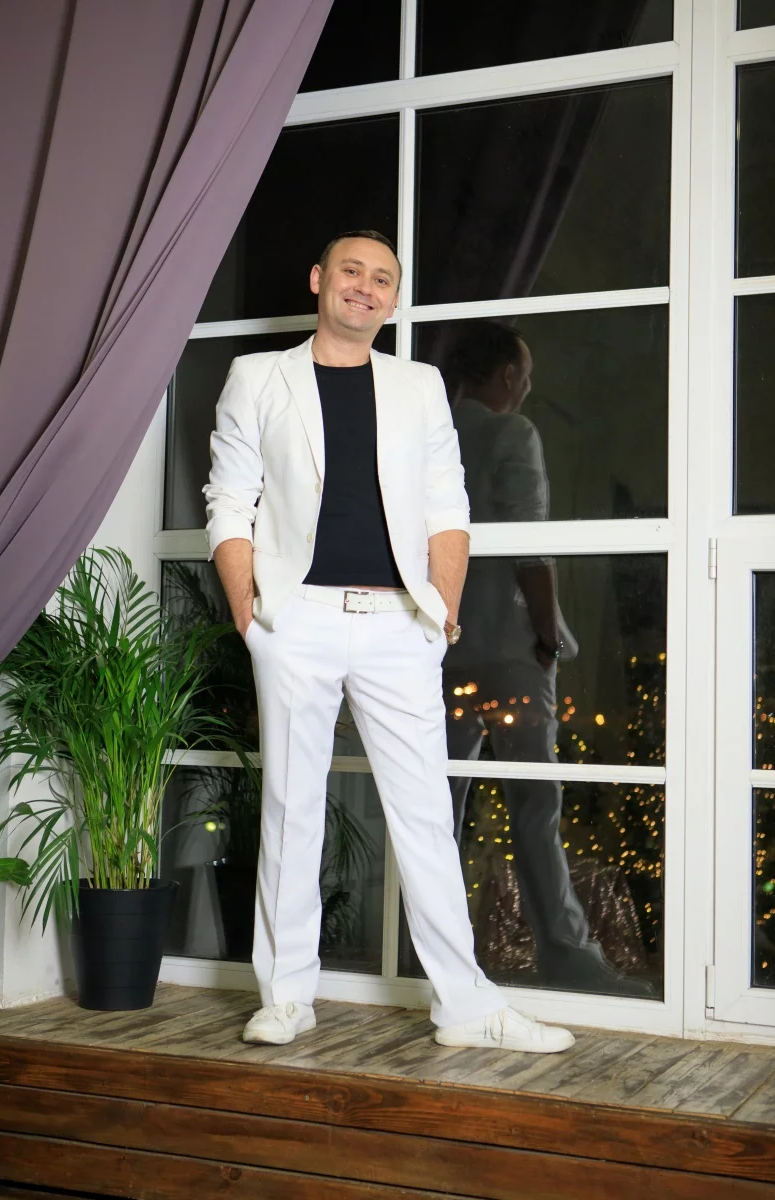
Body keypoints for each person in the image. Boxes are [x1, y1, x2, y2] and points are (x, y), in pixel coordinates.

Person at [204, 231, 574, 1053]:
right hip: (294, 618)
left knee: (426, 818)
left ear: (394, 300)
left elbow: (448, 503)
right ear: (319, 280)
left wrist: (440, 609)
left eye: (382, 279)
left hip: (399, 624)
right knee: (290, 809)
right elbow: (228, 500)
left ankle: (466, 1008)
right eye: (351, 272)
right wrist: (249, 615)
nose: (365, 288)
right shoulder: (258, 378)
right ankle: (286, 998)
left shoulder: (419, 385)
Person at [445, 320, 652, 996]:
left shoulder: (432, 434)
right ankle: (565, 955)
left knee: (437, 808)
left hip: (442, 652)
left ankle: (429, 951)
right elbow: (529, 543)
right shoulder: (513, 434)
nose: (529, 387)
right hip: (510, 652)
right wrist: (548, 637)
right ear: (507, 374)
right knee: (535, 804)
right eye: (526, 374)